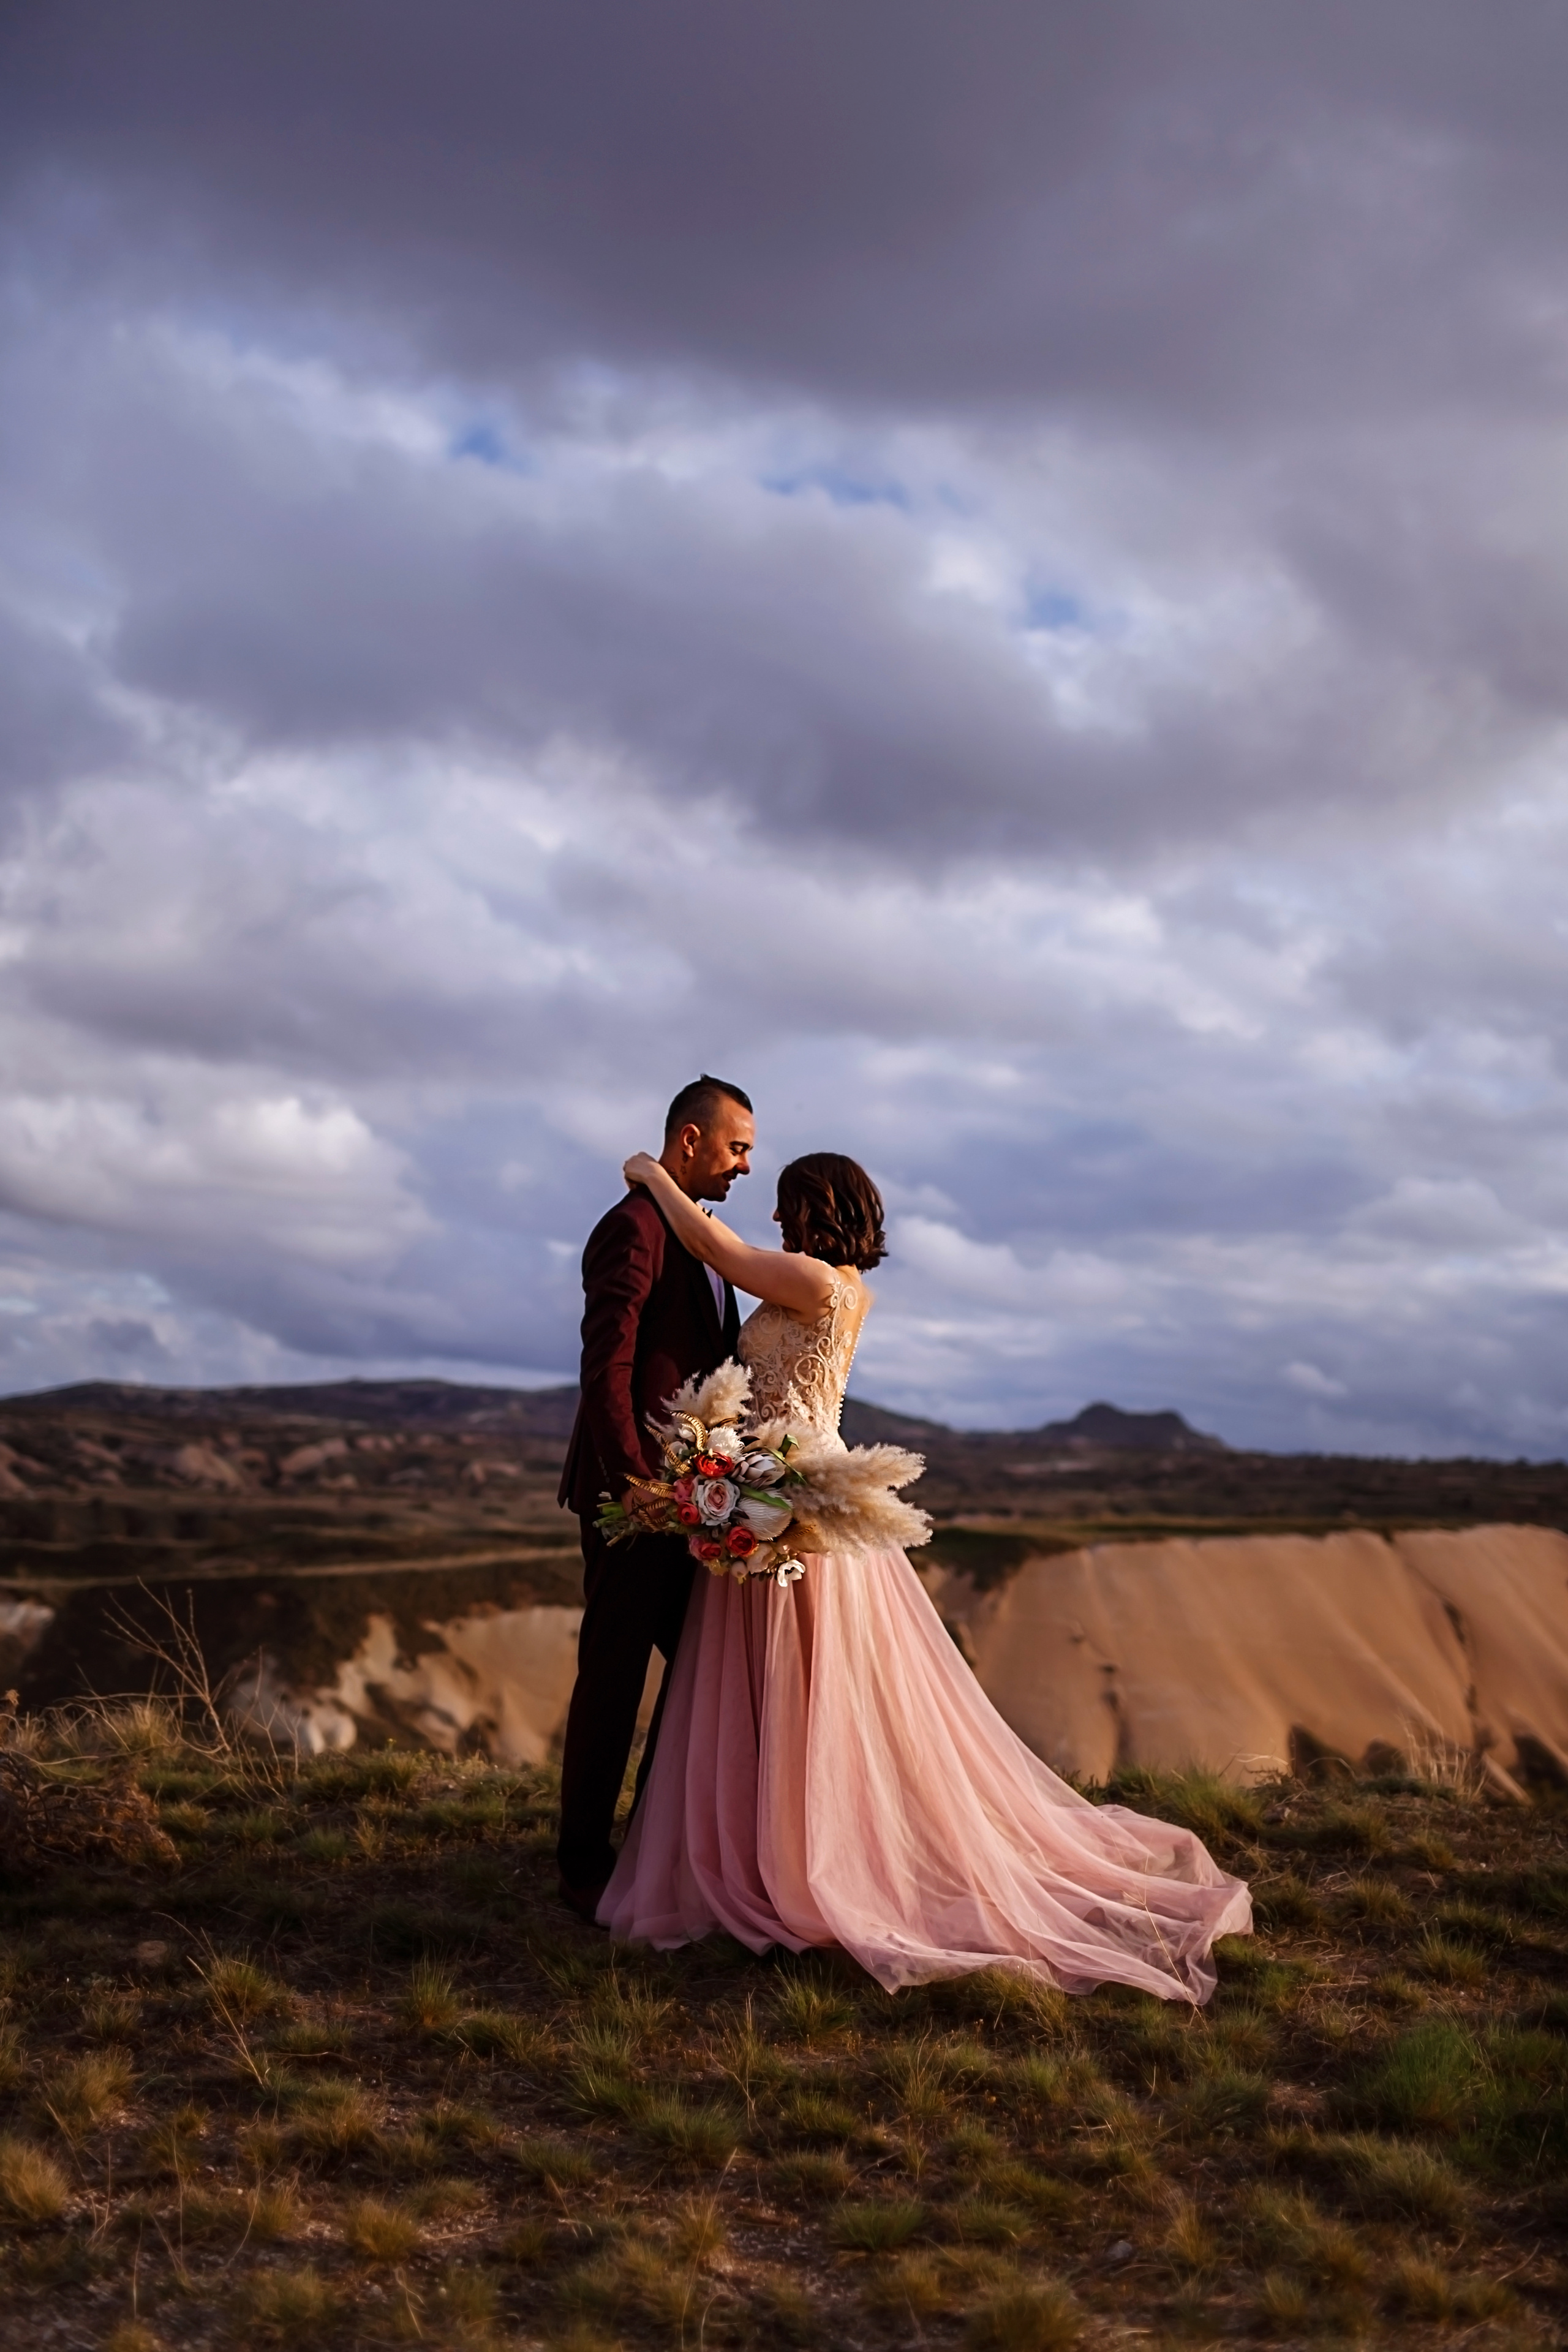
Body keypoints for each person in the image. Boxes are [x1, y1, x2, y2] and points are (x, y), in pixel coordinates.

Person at [597, 1147, 1252, 2002]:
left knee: (804, 1688)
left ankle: (808, 1861)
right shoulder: (837, 1286)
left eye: (787, 1203)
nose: (776, 1217)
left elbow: (715, 1248)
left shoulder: (819, 1282)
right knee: (790, 1689)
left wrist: (654, 1176)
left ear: (817, 1208)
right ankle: (774, 1850)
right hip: (771, 1489)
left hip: (795, 1500)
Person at [554, 1076, 755, 1917]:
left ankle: (651, 1842)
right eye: (737, 1147)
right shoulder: (633, 1228)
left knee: (698, 1675)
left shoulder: (701, 1236)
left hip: (693, 1502)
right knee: (614, 1676)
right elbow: (608, 1366)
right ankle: (581, 1866)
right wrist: (631, 1479)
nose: (746, 1165)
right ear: (690, 1141)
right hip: (634, 1502)